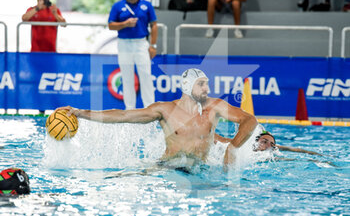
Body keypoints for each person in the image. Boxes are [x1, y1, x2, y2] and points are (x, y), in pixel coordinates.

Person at [58, 68, 258, 173]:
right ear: (188, 86)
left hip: (200, 170)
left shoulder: (214, 107)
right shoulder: (165, 109)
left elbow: (249, 120)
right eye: (201, 84)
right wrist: (81, 112)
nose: (207, 89)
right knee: (120, 177)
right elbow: (123, 116)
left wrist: (233, 147)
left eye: (207, 84)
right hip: (168, 168)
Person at [108, 0, 158, 110]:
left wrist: (153, 45)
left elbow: (154, 25)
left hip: (141, 43)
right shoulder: (118, 6)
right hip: (124, 44)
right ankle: (130, 108)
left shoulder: (147, 5)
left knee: (146, 75)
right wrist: (124, 24)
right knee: (126, 77)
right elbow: (111, 25)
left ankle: (149, 108)